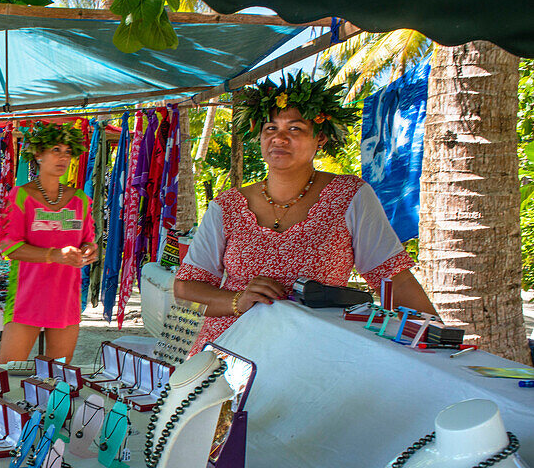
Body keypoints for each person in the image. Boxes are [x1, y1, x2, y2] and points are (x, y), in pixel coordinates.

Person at [174, 72, 436, 353]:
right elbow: (186, 289)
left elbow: (394, 277)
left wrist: (437, 338)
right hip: (228, 349)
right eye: (270, 128)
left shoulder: (349, 196)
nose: (280, 138)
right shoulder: (227, 206)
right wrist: (238, 300)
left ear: (320, 138)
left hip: (312, 353)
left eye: (295, 129)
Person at [0, 122, 98, 362]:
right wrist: (54, 255)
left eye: (67, 152)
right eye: (55, 149)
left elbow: (89, 242)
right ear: (38, 154)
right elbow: (8, 246)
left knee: (57, 375)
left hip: (66, 299)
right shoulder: (20, 196)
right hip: (26, 298)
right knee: (7, 374)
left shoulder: (81, 200)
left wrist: (88, 252)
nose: (63, 157)